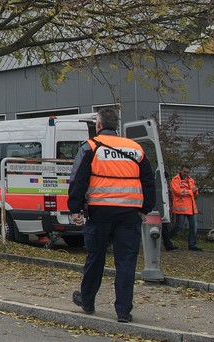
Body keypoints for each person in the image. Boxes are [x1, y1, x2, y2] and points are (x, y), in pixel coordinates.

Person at [68, 108, 155, 324]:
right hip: (129, 215)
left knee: (95, 257)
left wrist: (75, 209)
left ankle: (87, 301)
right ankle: (123, 312)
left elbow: (78, 179)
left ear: (98, 125)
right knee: (126, 262)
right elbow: (149, 181)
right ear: (115, 125)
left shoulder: (91, 147)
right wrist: (145, 209)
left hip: (100, 213)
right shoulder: (136, 148)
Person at [168, 164, 202, 251]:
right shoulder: (175, 180)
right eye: (184, 172)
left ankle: (192, 245)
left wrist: (195, 192)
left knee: (194, 226)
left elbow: (195, 193)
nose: (186, 174)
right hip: (181, 207)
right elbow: (177, 192)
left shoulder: (191, 180)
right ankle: (166, 238)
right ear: (181, 170)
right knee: (178, 226)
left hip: (191, 207)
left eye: (187, 172)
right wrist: (191, 191)